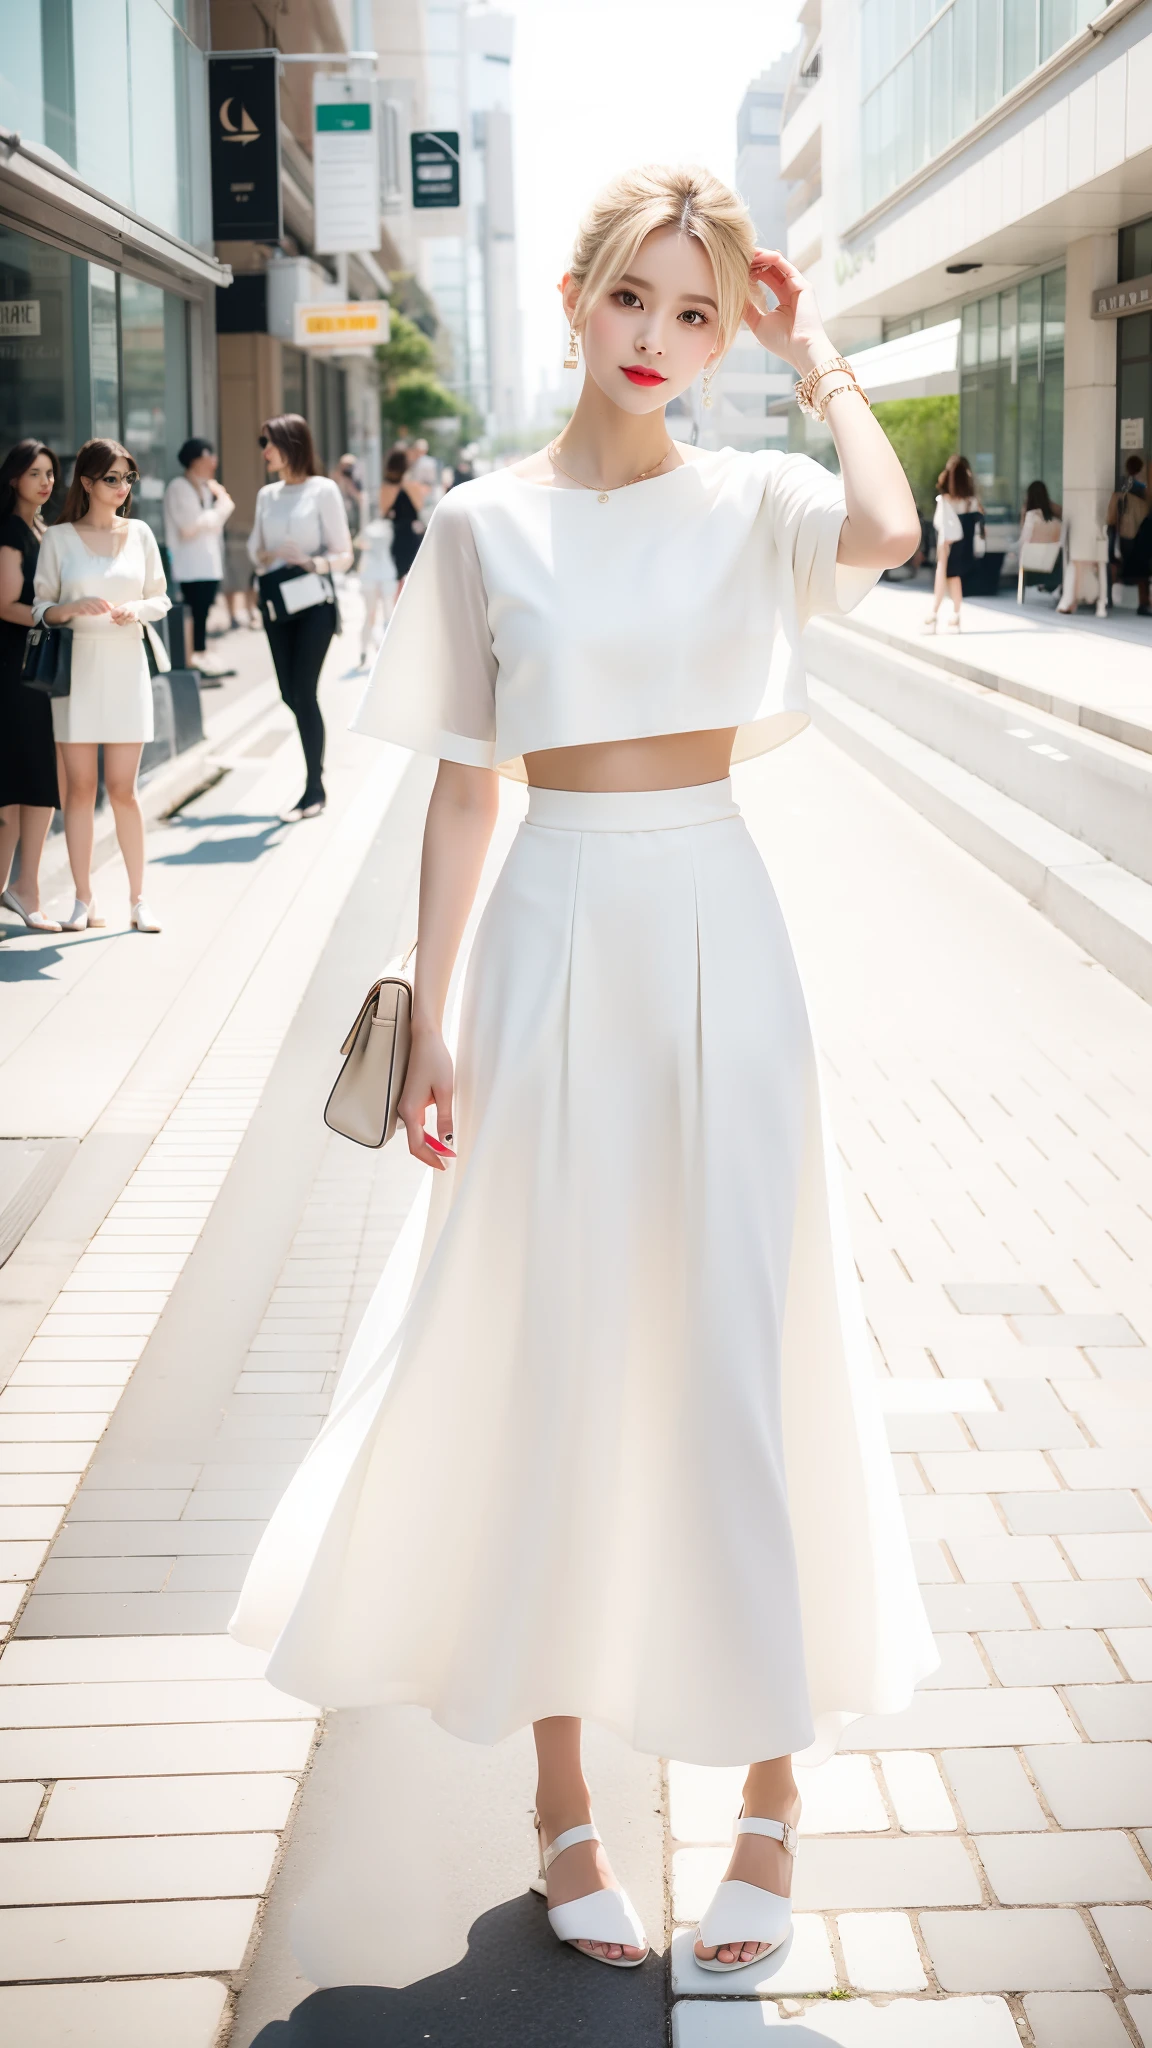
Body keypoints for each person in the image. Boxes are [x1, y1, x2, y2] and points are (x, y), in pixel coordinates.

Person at [233, 165, 935, 1976]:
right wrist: (435, 1004)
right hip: (549, 941)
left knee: (735, 1342)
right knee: (554, 1345)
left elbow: (886, 529)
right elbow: (465, 781)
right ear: (574, 296)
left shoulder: (758, 495)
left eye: (698, 314)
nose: (661, 342)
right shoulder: (481, 523)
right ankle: (562, 1791)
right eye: (638, 299)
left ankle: (772, 1787)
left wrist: (817, 350)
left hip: (718, 932)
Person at [33, 439, 170, 933]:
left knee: (123, 789)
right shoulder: (59, 538)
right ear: (87, 483)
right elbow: (40, 607)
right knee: (80, 789)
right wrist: (70, 609)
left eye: (127, 478)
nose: (122, 487)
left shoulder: (141, 533)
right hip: (76, 671)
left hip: (126, 663)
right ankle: (83, 899)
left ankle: (138, 900)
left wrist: (138, 609)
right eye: (112, 478)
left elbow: (161, 597)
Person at [248, 413, 353, 822]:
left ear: (293, 443)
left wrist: (311, 562)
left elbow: (345, 555)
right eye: (263, 443)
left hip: (314, 604)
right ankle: (314, 778)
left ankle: (314, 786)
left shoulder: (323, 490)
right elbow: (254, 550)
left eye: (270, 442)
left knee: (304, 692)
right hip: (277, 604)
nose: (265, 451)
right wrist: (271, 554)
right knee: (289, 694)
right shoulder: (267, 495)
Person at [0, 439, 62, 932]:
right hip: (15, 672)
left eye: (50, 473)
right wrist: (53, 614)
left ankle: (19, 889)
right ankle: (24, 891)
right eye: (35, 473)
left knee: (29, 783)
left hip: (32, 670)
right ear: (14, 478)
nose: (45, 481)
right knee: (26, 783)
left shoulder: (39, 527)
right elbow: (4, 604)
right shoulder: (10, 531)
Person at [163, 438, 235, 681]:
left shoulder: (206, 488)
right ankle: (191, 660)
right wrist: (222, 507)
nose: (213, 463)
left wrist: (214, 513)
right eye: (208, 458)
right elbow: (189, 527)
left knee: (203, 612)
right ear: (195, 460)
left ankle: (201, 656)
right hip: (188, 565)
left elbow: (208, 526)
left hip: (207, 564)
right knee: (192, 612)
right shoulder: (179, 487)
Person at [925, 454, 983, 631]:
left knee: (941, 575)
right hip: (964, 545)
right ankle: (955, 616)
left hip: (947, 543)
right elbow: (979, 519)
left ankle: (934, 615)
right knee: (954, 577)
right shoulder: (971, 501)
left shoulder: (945, 500)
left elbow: (939, 524)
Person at [379, 444, 426, 595]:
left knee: (400, 577)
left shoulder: (388, 487)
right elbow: (419, 506)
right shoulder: (408, 485)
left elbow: (384, 510)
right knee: (412, 576)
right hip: (409, 535)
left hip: (398, 535)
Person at [1106, 453, 1150, 615]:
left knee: (1114, 562)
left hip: (1118, 529)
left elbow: (1113, 509)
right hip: (1135, 531)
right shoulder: (1142, 486)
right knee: (1140, 569)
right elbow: (1144, 510)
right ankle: (1143, 602)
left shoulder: (1123, 484)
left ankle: (1108, 598)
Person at [354, 513, 398, 667]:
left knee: (373, 616)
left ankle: (368, 650)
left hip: (375, 575)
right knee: (382, 616)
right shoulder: (389, 528)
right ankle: (378, 650)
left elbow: (359, 543)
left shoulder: (371, 529)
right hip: (381, 574)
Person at [1015, 479, 1063, 599]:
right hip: (1051, 564)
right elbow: (1063, 513)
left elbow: (1024, 537)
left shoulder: (1029, 515)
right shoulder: (1054, 521)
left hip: (1031, 563)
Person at [333, 453, 363, 542]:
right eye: (344, 466)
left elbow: (360, 498)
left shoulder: (356, 480)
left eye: (349, 466)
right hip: (339, 516)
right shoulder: (335, 478)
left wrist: (350, 484)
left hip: (352, 516)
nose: (346, 469)